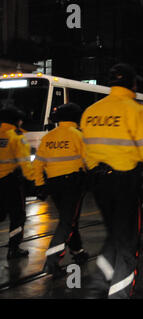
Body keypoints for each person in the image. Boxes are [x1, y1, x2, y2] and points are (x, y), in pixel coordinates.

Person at [80, 63, 143, 299]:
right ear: (133, 84)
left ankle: (98, 284)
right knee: (128, 243)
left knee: (114, 235)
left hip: (98, 181)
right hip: (125, 181)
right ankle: (119, 294)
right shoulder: (137, 110)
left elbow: (86, 150)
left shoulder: (91, 111)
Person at [33, 103, 89, 277]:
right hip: (72, 184)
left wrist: (40, 184)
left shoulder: (49, 137)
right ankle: (52, 260)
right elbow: (88, 161)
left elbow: (37, 164)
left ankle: (78, 252)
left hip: (53, 184)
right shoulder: (78, 135)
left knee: (69, 219)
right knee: (67, 222)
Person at [0, 106, 34, 259]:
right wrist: (33, 181)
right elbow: (24, 162)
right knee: (17, 216)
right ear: (17, 121)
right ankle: (14, 248)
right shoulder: (17, 137)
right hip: (11, 182)